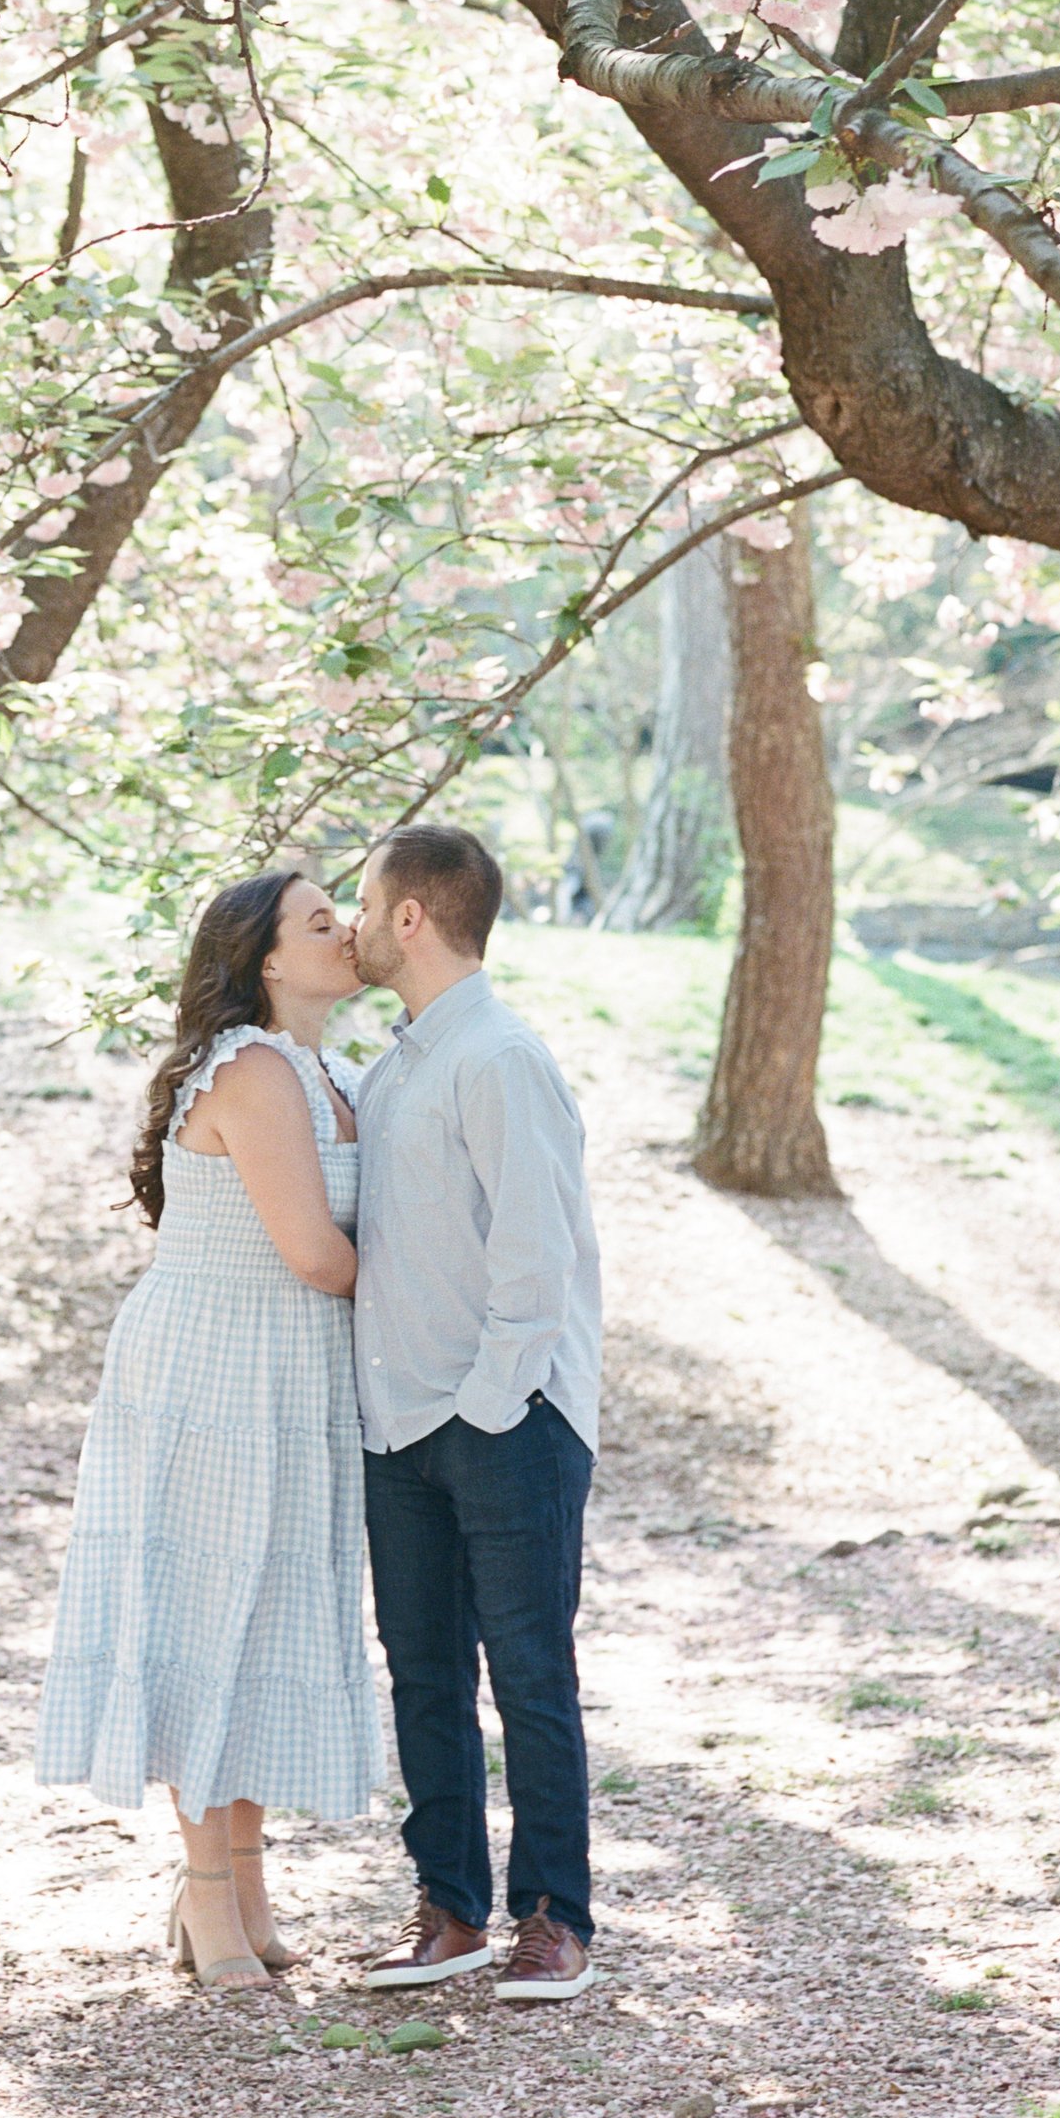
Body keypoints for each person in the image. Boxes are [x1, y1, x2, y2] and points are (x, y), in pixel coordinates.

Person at [36, 869, 382, 1995]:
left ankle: (244, 1878)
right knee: (203, 1609)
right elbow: (318, 1256)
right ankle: (202, 1888)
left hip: (286, 1367)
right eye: (321, 920)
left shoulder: (324, 1065)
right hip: (216, 1365)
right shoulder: (254, 1067)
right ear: (268, 958)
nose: (348, 930)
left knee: (264, 1608)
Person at [347, 822, 604, 2004]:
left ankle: (553, 1917)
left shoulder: (498, 1056)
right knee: (423, 1671)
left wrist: (492, 1407)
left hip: (507, 1417)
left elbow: (536, 1254)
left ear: (410, 916)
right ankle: (448, 1907)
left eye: (360, 901)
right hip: (399, 1421)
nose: (350, 923)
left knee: (529, 1672)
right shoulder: (394, 1066)